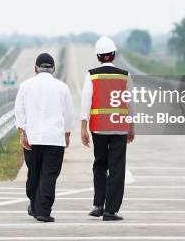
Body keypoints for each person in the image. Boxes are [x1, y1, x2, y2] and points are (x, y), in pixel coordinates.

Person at [14, 53, 73, 223]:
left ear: (35, 69)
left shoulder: (25, 86)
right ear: (54, 69)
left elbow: (19, 110)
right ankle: (43, 211)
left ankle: (34, 205)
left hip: (32, 137)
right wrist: (67, 134)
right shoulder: (62, 87)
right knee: (49, 175)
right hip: (54, 139)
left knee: (34, 173)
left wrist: (22, 133)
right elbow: (68, 115)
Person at [81, 36, 134, 221]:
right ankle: (111, 210)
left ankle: (98, 205)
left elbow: (85, 100)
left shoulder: (92, 75)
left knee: (100, 165)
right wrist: (131, 126)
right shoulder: (125, 75)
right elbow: (131, 103)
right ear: (113, 54)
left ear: (98, 56)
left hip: (98, 128)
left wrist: (83, 127)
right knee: (117, 168)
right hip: (119, 127)